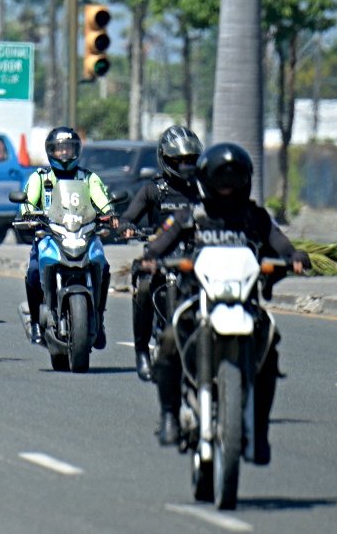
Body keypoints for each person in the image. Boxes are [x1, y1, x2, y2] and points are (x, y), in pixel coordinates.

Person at [141, 142, 310, 456]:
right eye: (221, 180)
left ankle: (259, 430)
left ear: (246, 181)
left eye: (234, 180)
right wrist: (150, 257)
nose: (228, 188)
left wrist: (295, 256)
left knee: (270, 349)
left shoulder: (255, 217)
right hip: (199, 301)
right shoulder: (191, 214)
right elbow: (160, 243)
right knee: (167, 343)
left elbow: (281, 244)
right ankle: (168, 417)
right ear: (206, 181)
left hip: (244, 303)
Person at [118, 125, 203, 381]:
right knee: (144, 284)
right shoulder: (153, 190)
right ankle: (142, 351)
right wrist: (126, 226)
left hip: (195, 254)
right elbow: (129, 216)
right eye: (179, 160)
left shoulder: (203, 190)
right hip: (161, 255)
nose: (185, 164)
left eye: (190, 159)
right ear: (165, 160)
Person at [21, 127, 114, 346]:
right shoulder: (39, 177)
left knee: (104, 266)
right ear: (50, 151)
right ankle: (36, 321)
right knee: (34, 271)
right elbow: (27, 203)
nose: (64, 154)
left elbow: (102, 200)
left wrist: (109, 213)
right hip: (49, 234)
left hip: (83, 233)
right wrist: (27, 215)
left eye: (68, 148)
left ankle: (98, 319)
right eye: (59, 149)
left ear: (76, 150)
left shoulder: (87, 177)